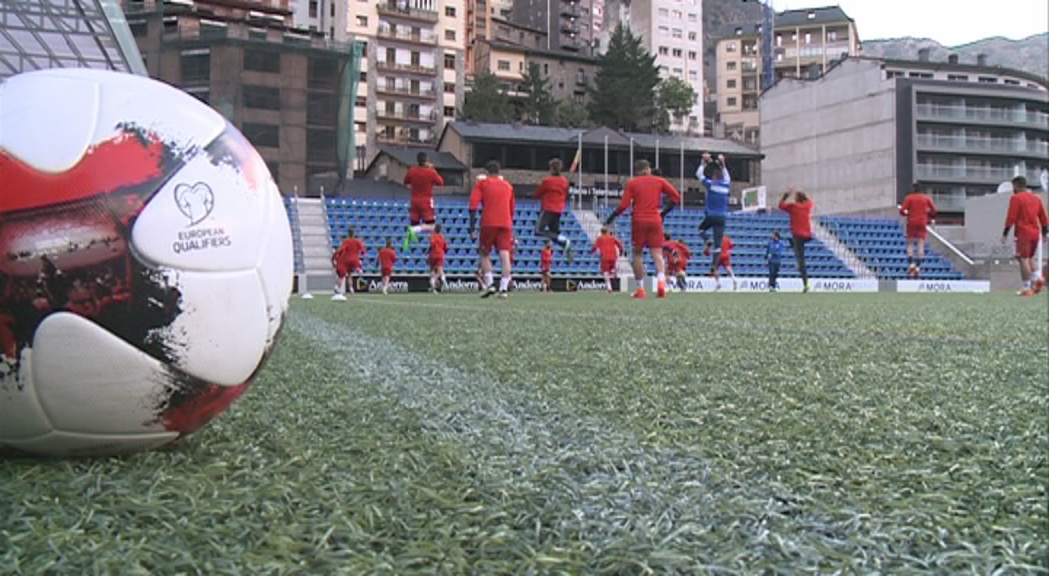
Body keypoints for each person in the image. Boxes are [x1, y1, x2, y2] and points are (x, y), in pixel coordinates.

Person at [604, 159, 681, 299]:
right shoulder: (659, 181)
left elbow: (623, 206)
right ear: (648, 169)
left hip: (638, 220)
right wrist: (663, 213)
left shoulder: (632, 183)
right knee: (657, 254)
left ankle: (640, 289)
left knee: (638, 254)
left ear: (638, 171)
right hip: (655, 219)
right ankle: (661, 283)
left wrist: (611, 218)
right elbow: (676, 197)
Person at [469, 160, 516, 299]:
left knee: (484, 253)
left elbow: (473, 205)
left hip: (488, 223)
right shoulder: (508, 186)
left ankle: (490, 285)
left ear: (487, 172)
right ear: (499, 171)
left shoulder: (482, 184)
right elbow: (512, 208)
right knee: (505, 256)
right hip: (506, 223)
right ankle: (503, 288)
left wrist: (472, 227)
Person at [1002, 176, 1049, 296]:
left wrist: (1005, 233)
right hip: (1035, 233)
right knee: (1029, 258)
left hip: (1023, 233)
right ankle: (1037, 282)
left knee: (1023, 259)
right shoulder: (1036, 198)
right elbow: (1043, 217)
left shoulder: (1016, 198)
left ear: (1017, 186)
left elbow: (1011, 217)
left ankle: (1026, 287)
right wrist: (1045, 232)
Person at [402, 151, 444, 251]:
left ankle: (408, 248)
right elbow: (440, 182)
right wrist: (432, 168)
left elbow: (405, 181)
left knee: (413, 225)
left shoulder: (412, 171)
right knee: (432, 226)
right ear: (426, 161)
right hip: (426, 201)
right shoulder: (430, 172)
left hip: (414, 201)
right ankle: (421, 239)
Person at [534, 158, 574, 263]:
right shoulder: (565, 181)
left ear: (551, 169)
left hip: (548, 208)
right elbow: (565, 194)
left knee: (538, 231)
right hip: (559, 210)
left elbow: (537, 193)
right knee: (554, 234)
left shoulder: (547, 181)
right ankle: (565, 243)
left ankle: (565, 241)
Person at [697, 152, 730, 276]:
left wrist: (703, 162)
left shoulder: (711, 185)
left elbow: (699, 175)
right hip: (722, 217)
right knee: (718, 245)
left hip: (711, 215)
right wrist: (723, 164)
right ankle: (714, 267)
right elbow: (727, 174)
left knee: (700, 230)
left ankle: (706, 240)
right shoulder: (726, 185)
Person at [899, 183, 938, 279]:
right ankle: (918, 267)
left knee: (911, 244)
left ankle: (911, 265)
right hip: (922, 222)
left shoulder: (909, 198)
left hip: (911, 222)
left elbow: (902, 211)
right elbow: (934, 211)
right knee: (921, 244)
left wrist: (907, 213)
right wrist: (928, 212)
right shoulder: (926, 198)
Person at [779, 189, 814, 293]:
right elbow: (810, 202)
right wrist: (803, 196)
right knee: (797, 250)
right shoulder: (807, 206)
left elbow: (781, 205)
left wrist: (785, 195)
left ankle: (805, 283)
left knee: (800, 259)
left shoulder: (793, 207)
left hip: (797, 235)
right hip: (807, 235)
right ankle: (796, 257)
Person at [331, 229, 365, 300]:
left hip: (346, 259)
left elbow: (341, 249)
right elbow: (363, 250)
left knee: (341, 276)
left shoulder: (346, 241)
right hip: (354, 259)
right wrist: (361, 255)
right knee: (350, 274)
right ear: (354, 233)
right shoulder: (357, 241)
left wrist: (336, 256)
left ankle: (337, 287)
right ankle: (351, 288)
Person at [592, 227, 624, 294]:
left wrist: (591, 251)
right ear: (607, 232)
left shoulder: (599, 239)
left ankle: (609, 288)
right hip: (613, 257)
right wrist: (621, 251)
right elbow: (619, 244)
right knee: (613, 269)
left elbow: (594, 247)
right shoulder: (612, 237)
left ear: (601, 232)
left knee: (605, 273)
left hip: (605, 257)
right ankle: (614, 273)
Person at [428, 223, 448, 293]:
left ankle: (433, 287)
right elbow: (445, 248)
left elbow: (431, 245)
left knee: (432, 271)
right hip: (440, 255)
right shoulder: (442, 238)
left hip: (433, 255)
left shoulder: (432, 237)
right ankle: (444, 283)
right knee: (440, 271)